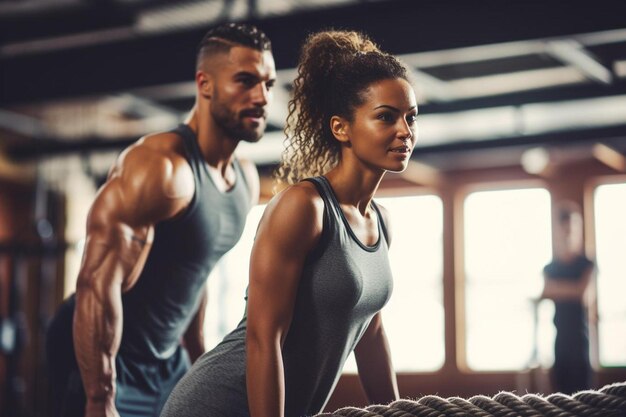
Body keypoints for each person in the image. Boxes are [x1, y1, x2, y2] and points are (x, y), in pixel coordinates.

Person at [161, 30, 418, 417]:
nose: (405, 131)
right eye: (386, 117)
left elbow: (371, 332)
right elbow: (264, 339)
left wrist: (398, 413)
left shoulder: (380, 222)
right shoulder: (304, 207)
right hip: (218, 404)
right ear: (340, 128)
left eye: (411, 117)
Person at [45, 23, 276, 417]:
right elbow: (97, 285)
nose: (261, 97)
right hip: (105, 358)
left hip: (168, 362)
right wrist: (99, 399)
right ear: (205, 84)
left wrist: (197, 357)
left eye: (268, 84)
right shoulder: (161, 169)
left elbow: (194, 269)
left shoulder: (245, 180)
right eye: (245, 81)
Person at [540, 200, 595, 394]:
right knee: (560, 393)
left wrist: (558, 289)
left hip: (580, 340)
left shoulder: (586, 264)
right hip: (559, 339)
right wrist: (569, 289)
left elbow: (582, 293)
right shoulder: (550, 267)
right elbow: (546, 292)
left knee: (583, 394)